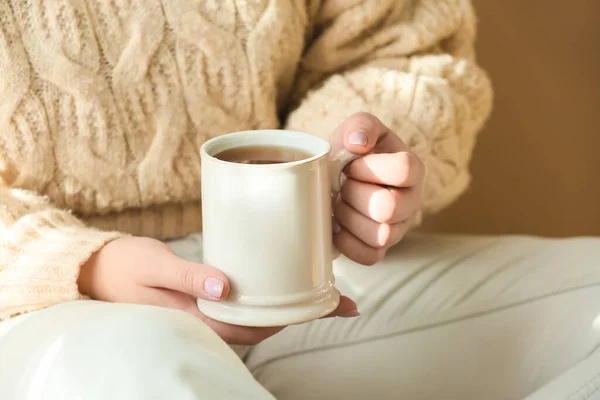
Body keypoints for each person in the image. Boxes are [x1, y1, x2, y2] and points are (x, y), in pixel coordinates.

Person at [0, 1, 599, 399]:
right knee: (143, 358)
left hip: (306, 280)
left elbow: (404, 44)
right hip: (39, 299)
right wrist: (83, 264)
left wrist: (355, 170)